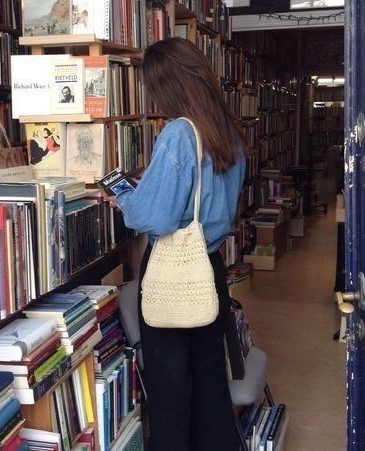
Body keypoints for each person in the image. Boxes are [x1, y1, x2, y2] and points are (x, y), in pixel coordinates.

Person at [112, 37, 246, 451]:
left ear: (166, 86)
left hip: (173, 271)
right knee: (210, 384)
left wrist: (123, 196)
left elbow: (152, 216)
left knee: (171, 394)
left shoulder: (178, 134)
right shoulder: (227, 130)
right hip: (211, 271)